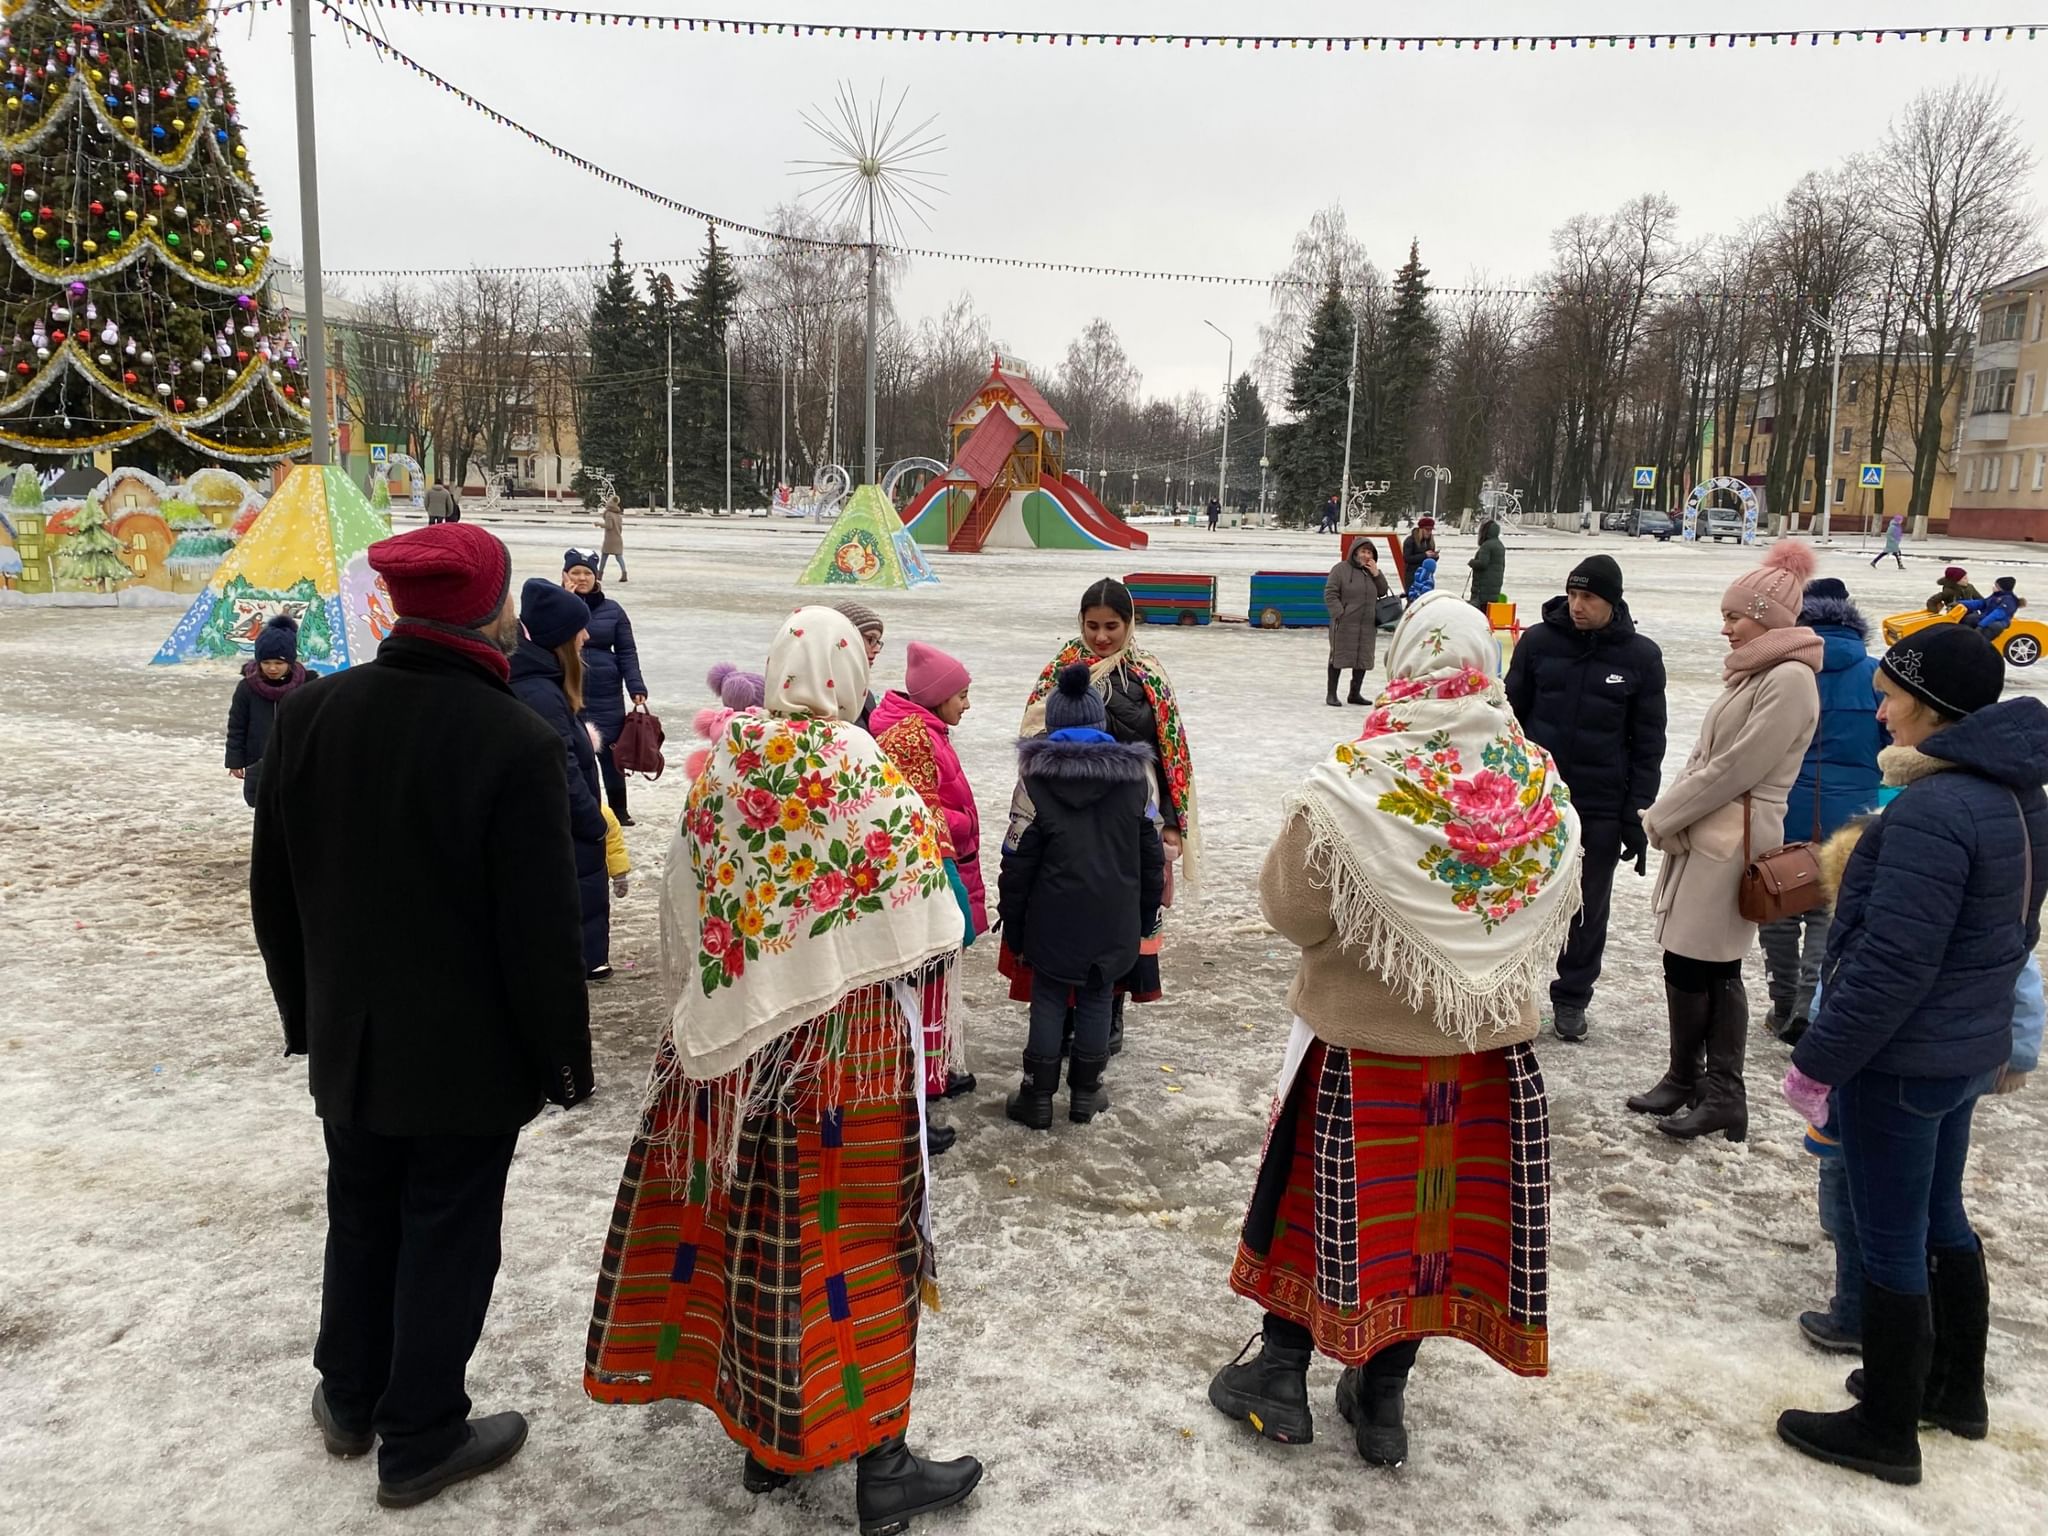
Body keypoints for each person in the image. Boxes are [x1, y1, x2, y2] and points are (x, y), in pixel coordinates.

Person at [583, 607, 983, 1532]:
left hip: (738, 1063)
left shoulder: (731, 757)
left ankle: (770, 1442)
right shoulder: (860, 764)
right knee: (857, 1246)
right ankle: (880, 1463)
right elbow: (931, 917)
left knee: (761, 1238)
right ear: (843, 677)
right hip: (847, 1062)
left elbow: (691, 884)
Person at [250, 522, 593, 1509]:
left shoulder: (312, 712)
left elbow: (272, 889)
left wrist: (306, 1013)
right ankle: (421, 1432)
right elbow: (539, 933)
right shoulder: (512, 738)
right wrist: (561, 1064)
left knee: (360, 1215)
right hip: (464, 1062)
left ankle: (349, 1395)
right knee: (446, 1229)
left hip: (352, 1045)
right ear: (487, 612)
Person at [1207, 591, 1581, 1468]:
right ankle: (1383, 1397)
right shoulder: (1537, 782)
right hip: (1487, 1056)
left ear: (1402, 659)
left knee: (1313, 1203)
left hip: (1360, 1048)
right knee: (1429, 1226)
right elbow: (1560, 896)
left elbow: (1292, 910)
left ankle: (1282, 1373)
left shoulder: (1357, 780)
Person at [1776, 625, 2048, 1485]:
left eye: (1892, 695)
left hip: (1904, 1059)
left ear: (1931, 707)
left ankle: (1887, 1427)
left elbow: (1892, 962)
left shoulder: (1935, 810)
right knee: (1940, 1218)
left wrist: (1819, 1058)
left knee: (1891, 1237)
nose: (1880, 709)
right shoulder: (2011, 794)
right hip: (1963, 1046)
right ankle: (1950, 1388)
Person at [1626, 542, 1821, 1143]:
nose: (1726, 626)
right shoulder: (1757, 674)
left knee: (1713, 963)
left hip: (1732, 834)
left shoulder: (1788, 679)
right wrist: (1677, 811)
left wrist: (1662, 815)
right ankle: (1686, 1078)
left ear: (1767, 616)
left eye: (1735, 615)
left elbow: (1738, 766)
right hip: (1709, 828)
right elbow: (1705, 757)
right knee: (1685, 959)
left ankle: (1724, 1094)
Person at [1007, 577, 1198, 1056]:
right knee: (1069, 914)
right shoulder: (1062, 669)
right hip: (1063, 815)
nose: (1101, 637)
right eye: (1092, 626)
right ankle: (1068, 1015)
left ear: (1129, 623)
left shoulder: (1147, 674)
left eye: (1112, 626)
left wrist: (1172, 820)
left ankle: (1109, 1012)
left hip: (1131, 812)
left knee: (1124, 911)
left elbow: (1172, 751)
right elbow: (1033, 729)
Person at [1504, 554, 1667, 1042]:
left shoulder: (1640, 657)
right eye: (1573, 595)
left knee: (1587, 905)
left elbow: (1649, 744)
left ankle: (1572, 997)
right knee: (1514, 900)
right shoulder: (1536, 643)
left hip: (1599, 804)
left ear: (1611, 601)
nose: (1577, 606)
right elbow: (1508, 722)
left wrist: (1636, 814)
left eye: (1589, 597)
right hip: (1536, 801)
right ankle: (1507, 994)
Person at [999, 663, 1165, 1129]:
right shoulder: (1136, 779)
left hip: (1051, 915)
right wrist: (1145, 912)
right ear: (1101, 725)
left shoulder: (1034, 780)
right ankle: (1086, 1093)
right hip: (1113, 916)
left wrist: (1013, 919)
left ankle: (1036, 1096)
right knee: (1096, 995)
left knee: (1049, 996)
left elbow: (1017, 858)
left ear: (1051, 727)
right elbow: (1151, 854)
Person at [1758, 577, 1888, 1044]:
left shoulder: (1782, 673)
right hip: (1854, 813)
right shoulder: (1876, 676)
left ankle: (1782, 1000)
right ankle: (1808, 1006)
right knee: (1828, 911)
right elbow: (1892, 749)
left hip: (1784, 807)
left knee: (1779, 902)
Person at [872, 641, 985, 1142]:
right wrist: (963, 824)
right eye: (961, 695)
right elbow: (918, 812)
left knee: (937, 982)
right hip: (932, 872)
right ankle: (921, 1087)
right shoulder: (914, 735)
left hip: (946, 865)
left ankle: (934, 1074)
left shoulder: (927, 728)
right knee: (927, 984)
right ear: (937, 696)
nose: (967, 704)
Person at [509, 578, 611, 981]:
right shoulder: (538, 693)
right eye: (579, 630)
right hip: (568, 833)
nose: (587, 636)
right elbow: (560, 769)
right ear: (560, 639)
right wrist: (594, 820)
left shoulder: (541, 683)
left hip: (570, 832)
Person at [561, 549, 647, 826]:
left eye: (587, 573)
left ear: (597, 577)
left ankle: (619, 810)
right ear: (566, 575)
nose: (582, 578)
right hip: (567, 689)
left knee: (611, 755)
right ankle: (585, 808)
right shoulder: (555, 605)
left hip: (606, 692)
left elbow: (627, 650)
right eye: (576, 572)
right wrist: (567, 600)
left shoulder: (613, 609)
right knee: (574, 753)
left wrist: (635, 684)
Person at [225, 614, 310, 808]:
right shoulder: (247, 688)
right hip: (258, 759)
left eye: (279, 663)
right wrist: (234, 760)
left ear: (290, 661)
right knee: (262, 807)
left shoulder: (308, 685)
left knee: (296, 807)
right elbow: (237, 726)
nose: (272, 668)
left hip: (298, 761)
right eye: (266, 662)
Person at [1324, 539, 1391, 707]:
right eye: (1363, 552)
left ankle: (1355, 694)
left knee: (1363, 658)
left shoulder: (1372, 572)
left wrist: (1376, 574)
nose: (1366, 555)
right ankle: (1331, 694)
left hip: (1367, 624)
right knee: (1338, 656)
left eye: (1369, 553)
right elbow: (1330, 593)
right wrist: (1340, 613)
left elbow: (1383, 591)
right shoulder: (1340, 570)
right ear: (1354, 553)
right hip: (1345, 623)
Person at [834, 599, 886, 731]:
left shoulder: (864, 696)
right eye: (870, 639)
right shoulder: (816, 697)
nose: (877, 649)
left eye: (878, 641)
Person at [1956, 576, 2022, 641]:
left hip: (2000, 621)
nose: (1993, 586)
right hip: (1986, 617)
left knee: (1992, 627)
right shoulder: (1995, 596)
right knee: (1969, 619)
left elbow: (1997, 614)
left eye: (1996, 585)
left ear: (2002, 588)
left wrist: (1981, 625)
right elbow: (1981, 603)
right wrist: (1960, 603)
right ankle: (1962, 637)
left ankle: (1981, 642)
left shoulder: (2009, 600)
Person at [1468, 518, 1506, 611]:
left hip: (1483, 588)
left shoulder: (1486, 545)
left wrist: (1472, 562)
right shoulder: (1500, 545)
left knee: (1479, 611)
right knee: (1488, 611)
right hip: (1494, 588)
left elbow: (1482, 564)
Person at [598, 492, 627, 583]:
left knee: (604, 556)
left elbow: (609, 526)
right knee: (619, 557)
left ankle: (599, 575)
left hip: (610, 539)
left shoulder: (609, 514)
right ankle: (624, 573)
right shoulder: (618, 515)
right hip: (618, 538)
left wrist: (599, 524)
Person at [1400, 516, 1437, 582]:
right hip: (1413, 575)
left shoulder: (1430, 541)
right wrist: (1425, 555)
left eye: (1431, 530)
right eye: (1427, 529)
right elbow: (1407, 558)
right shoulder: (1410, 540)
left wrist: (1435, 556)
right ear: (1421, 529)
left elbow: (1430, 561)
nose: (1429, 532)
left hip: (1427, 576)